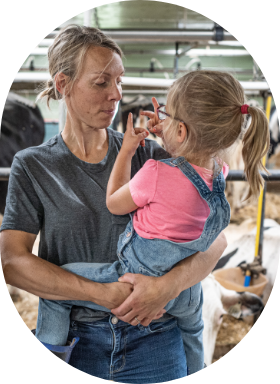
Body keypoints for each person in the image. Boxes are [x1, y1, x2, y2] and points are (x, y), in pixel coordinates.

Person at [0, 25, 229, 382]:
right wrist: (104, 294)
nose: (116, 95)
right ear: (63, 84)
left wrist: (166, 288)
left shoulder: (152, 156)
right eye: (101, 82)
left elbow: (217, 239)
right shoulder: (33, 165)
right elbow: (12, 262)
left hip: (154, 336)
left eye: (119, 81)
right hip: (77, 340)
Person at [32, 69, 270, 375]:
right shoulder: (219, 173)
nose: (161, 121)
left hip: (134, 280)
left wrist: (128, 149)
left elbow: (114, 202)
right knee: (194, 333)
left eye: (167, 116)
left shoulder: (156, 172)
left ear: (182, 131)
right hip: (185, 293)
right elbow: (194, 156)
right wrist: (175, 135)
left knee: (58, 286)